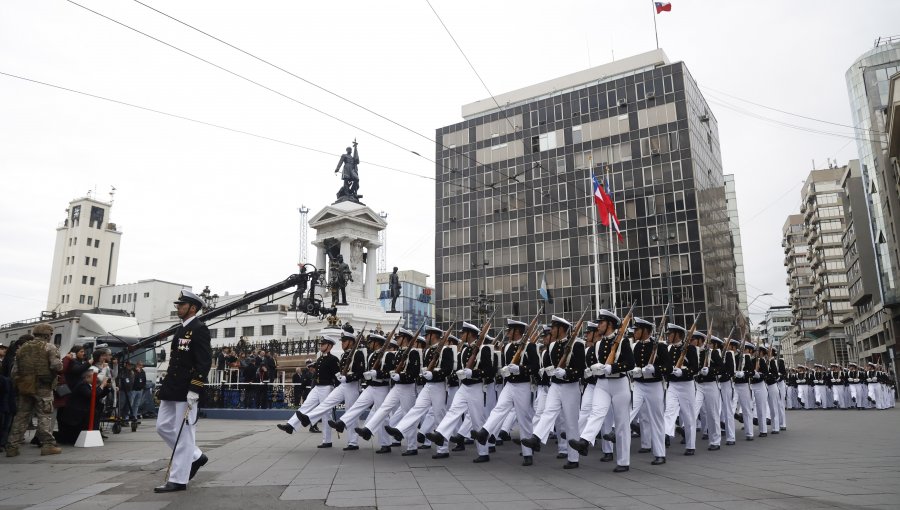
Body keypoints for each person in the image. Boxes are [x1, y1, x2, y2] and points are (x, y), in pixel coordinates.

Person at [154, 290, 212, 493]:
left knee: (184, 434)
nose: (177, 307)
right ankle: (196, 456)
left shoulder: (199, 329)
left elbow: (204, 361)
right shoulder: (180, 329)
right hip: (172, 388)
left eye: (181, 305)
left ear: (193, 308)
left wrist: (195, 388)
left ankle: (179, 479)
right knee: (162, 426)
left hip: (187, 389)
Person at [5, 323, 63, 457]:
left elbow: (15, 371)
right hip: (43, 386)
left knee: (21, 417)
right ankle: (48, 445)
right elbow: (56, 366)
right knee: (44, 416)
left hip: (25, 386)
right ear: (47, 334)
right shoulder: (49, 347)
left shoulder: (23, 348)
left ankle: (12, 447)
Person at [278, 334, 340, 446]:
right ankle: (290, 426)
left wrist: (337, 392)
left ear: (329, 346)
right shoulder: (320, 358)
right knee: (305, 406)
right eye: (320, 344)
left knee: (326, 414)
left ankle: (327, 440)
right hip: (317, 387)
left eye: (323, 344)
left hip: (327, 387)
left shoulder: (334, 359)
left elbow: (337, 377)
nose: (321, 346)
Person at [56, 369, 111, 444]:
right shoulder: (82, 385)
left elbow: (97, 396)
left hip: (82, 412)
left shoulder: (87, 385)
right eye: (94, 376)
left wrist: (107, 388)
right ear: (87, 377)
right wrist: (102, 385)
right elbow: (92, 395)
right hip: (75, 415)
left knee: (96, 411)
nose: (96, 378)